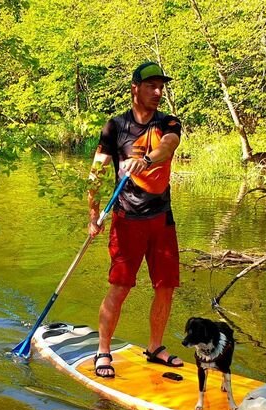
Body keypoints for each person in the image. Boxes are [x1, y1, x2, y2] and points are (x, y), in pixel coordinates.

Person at [87, 62, 184, 378]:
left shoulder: (168, 122)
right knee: (120, 287)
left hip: (161, 219)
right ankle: (103, 352)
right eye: (150, 86)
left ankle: (154, 347)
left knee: (166, 286)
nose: (157, 92)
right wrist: (93, 214)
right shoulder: (115, 127)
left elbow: (168, 147)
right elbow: (97, 170)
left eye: (161, 87)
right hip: (127, 220)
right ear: (135, 88)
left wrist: (144, 160)